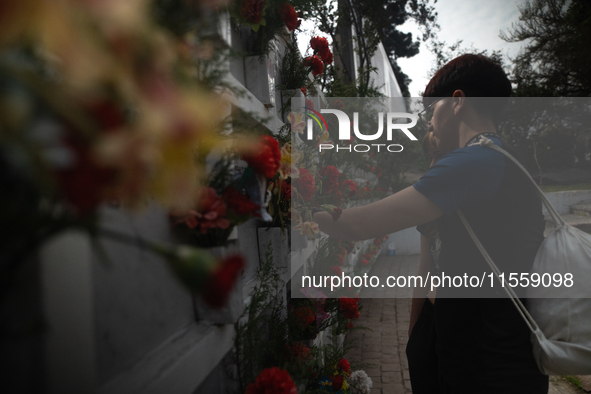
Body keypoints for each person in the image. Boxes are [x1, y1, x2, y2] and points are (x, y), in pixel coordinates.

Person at [313, 54, 548, 393]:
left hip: (486, 364)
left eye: (429, 110)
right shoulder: (506, 156)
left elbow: (357, 226)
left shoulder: (474, 161)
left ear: (457, 102)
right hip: (505, 351)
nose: (429, 122)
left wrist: (299, 210)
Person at [405, 131, 443, 394]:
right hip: (432, 320)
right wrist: (414, 330)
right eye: (430, 157)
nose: (432, 166)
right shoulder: (431, 211)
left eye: (439, 157)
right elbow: (424, 270)